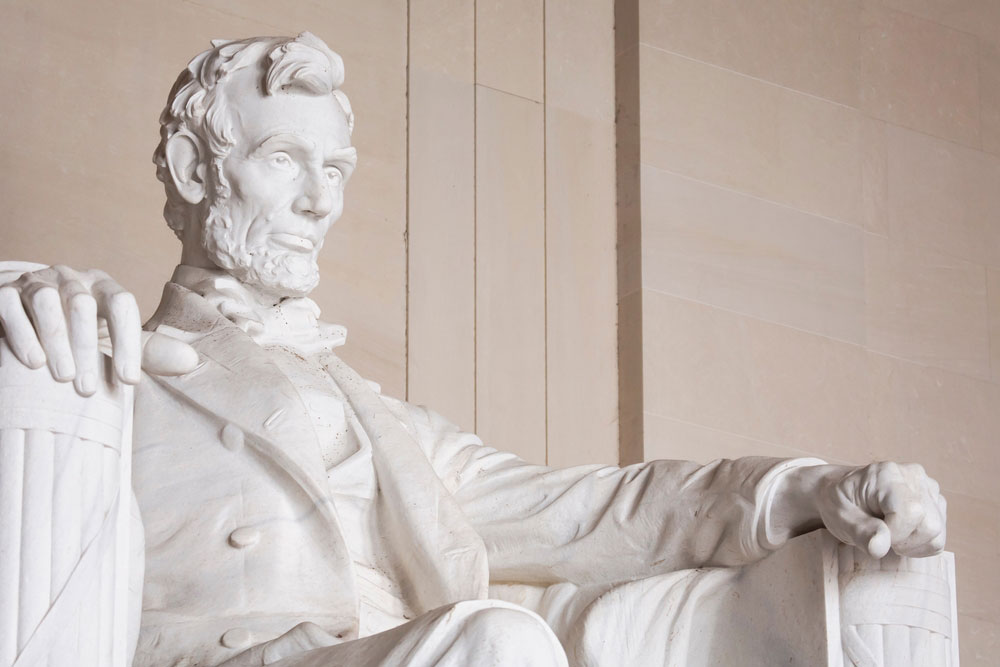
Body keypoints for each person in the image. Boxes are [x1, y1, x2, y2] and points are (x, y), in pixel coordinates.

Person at [0, 33, 947, 667]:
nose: (320, 201)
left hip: (424, 649)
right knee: (501, 642)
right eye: (285, 160)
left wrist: (807, 490)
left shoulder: (386, 422)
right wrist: (17, 288)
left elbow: (587, 508)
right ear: (194, 169)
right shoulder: (104, 363)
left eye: (334, 170)